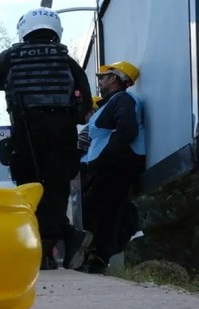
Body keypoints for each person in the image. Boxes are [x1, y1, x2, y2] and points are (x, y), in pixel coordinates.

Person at [0, 6, 94, 271]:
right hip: (62, 130)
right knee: (56, 189)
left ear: (24, 30)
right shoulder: (66, 59)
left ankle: (44, 249)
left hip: (27, 129)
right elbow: (85, 102)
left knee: (30, 189)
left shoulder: (11, 56)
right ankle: (54, 244)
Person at [80, 61, 146, 274]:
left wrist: (105, 158)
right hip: (109, 166)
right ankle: (96, 258)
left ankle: (97, 259)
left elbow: (127, 130)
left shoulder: (123, 99)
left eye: (103, 77)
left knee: (100, 211)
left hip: (115, 165)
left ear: (114, 78)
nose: (99, 81)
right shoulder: (112, 102)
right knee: (102, 211)